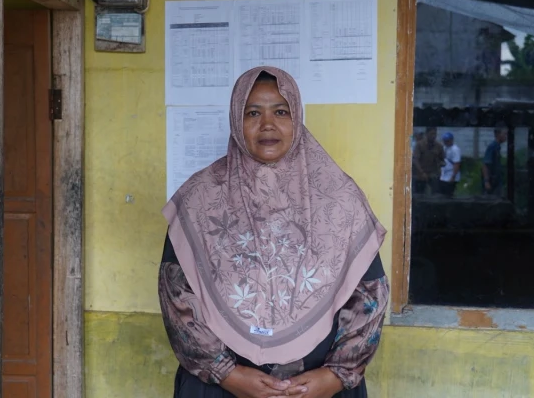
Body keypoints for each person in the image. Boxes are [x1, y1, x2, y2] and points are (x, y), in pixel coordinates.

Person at [159, 67, 389, 398]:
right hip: (220, 387)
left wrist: (336, 375)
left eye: (281, 112)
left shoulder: (339, 198)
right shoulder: (200, 198)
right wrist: (227, 374)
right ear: (236, 121)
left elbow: (369, 294)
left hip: (319, 387)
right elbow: (176, 295)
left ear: (297, 118)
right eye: (252, 113)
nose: (267, 124)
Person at [412, 127, 444, 194]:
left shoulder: (439, 146)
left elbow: (442, 159)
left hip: (433, 174)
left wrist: (441, 163)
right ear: (426, 134)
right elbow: (415, 160)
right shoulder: (419, 145)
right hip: (420, 174)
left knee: (436, 194)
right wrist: (422, 172)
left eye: (435, 134)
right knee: (419, 194)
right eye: (431, 134)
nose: (433, 136)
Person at [482, 125, 508, 196]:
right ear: (498, 134)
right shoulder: (492, 147)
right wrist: (486, 181)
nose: (506, 136)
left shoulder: (497, 147)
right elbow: (485, 165)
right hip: (492, 181)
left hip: (497, 181)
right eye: (505, 134)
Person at [439, 132, 461, 197]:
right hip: (444, 175)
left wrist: (453, 176)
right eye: (445, 141)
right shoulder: (444, 148)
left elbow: (457, 163)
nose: (446, 142)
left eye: (448, 140)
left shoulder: (455, 149)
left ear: (451, 140)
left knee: (449, 194)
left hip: (451, 175)